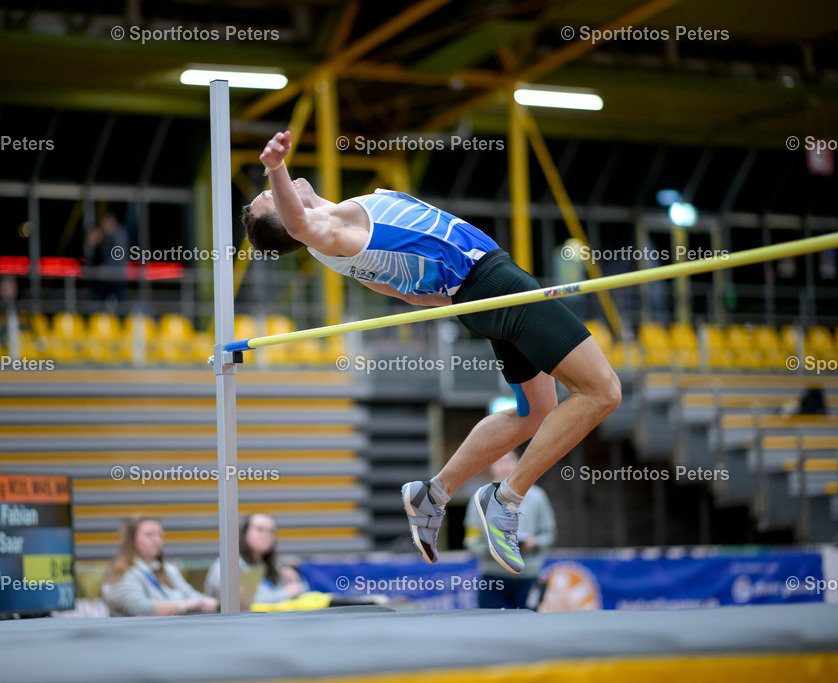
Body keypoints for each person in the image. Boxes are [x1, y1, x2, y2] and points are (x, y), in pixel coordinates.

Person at [242, 131, 620, 575]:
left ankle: (433, 494)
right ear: (288, 219)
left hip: (481, 291)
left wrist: (464, 300)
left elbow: (410, 296)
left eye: (268, 189)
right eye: (270, 197)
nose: (271, 190)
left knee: (537, 411)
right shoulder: (335, 234)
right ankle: (507, 499)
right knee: (603, 392)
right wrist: (276, 166)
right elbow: (303, 224)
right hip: (497, 284)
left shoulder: (342, 237)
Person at [464, 450, 556, 608]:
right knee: (489, 626)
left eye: (509, 461)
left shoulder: (537, 496)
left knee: (528, 627)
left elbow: (549, 532)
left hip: (528, 574)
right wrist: (489, 549)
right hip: (493, 576)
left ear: (518, 463)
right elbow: (471, 538)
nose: (505, 466)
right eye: (500, 461)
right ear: (491, 466)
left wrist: (536, 543)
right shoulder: (479, 498)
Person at [102, 515, 218, 616]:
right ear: (131, 540)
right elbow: (140, 608)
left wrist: (215, 603)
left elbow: (189, 594)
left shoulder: (167, 570)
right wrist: (184, 605)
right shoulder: (121, 573)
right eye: (149, 535)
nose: (157, 540)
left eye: (159, 535)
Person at [204, 514, 308, 605]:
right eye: (260, 529)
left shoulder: (271, 564)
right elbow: (249, 601)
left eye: (271, 531)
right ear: (244, 533)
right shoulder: (230, 564)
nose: (266, 535)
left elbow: (302, 589)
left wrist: (296, 580)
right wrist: (286, 593)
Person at [86, 212, 129, 303]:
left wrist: (106, 267)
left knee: (116, 300)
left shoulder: (118, 236)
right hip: (109, 277)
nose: (104, 226)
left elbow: (119, 257)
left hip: (116, 276)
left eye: (105, 223)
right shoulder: (106, 237)